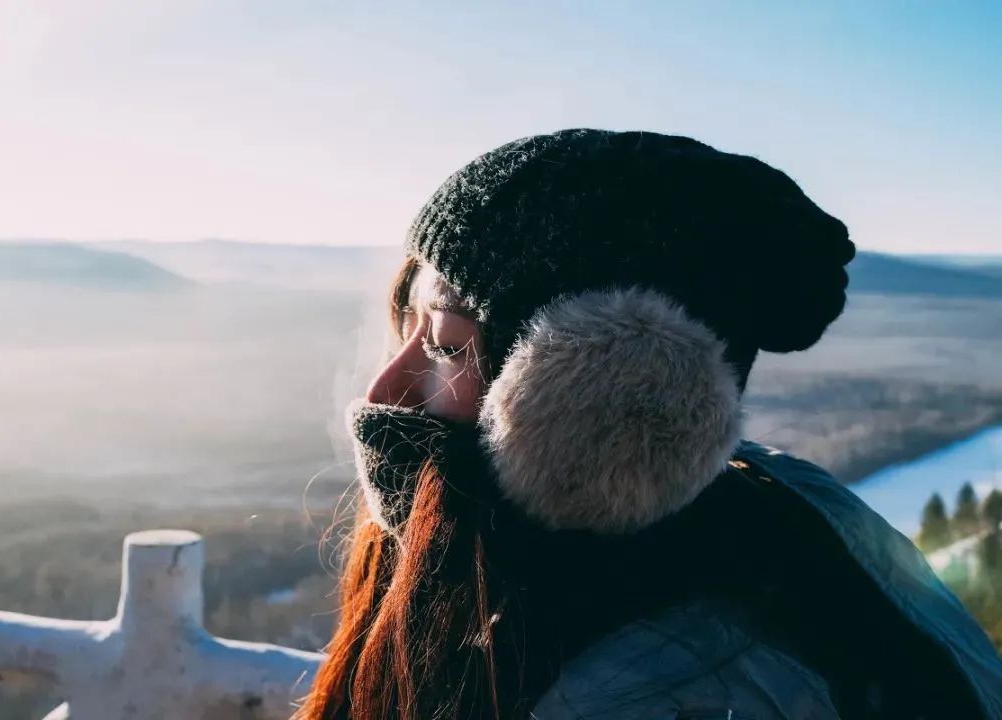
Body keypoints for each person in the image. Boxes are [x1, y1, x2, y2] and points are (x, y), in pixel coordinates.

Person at [295, 129, 1002, 720]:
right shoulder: (781, 511)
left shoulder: (662, 693)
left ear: (602, 392)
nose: (386, 389)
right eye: (406, 331)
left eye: (448, 344)